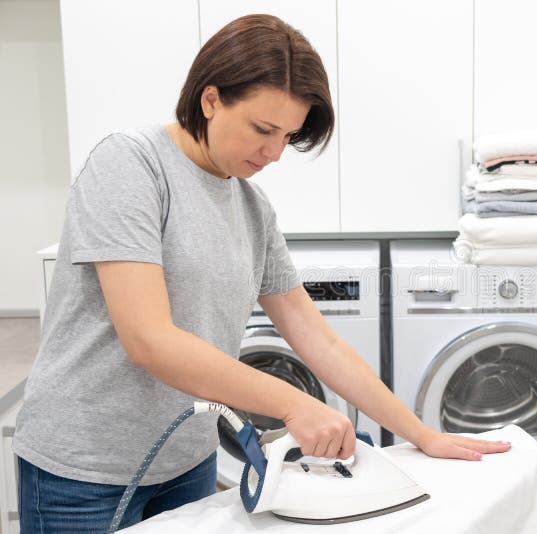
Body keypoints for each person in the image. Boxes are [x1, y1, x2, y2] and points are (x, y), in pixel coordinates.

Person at [12, 13, 510, 534]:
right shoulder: (131, 166)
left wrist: (419, 434)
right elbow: (150, 340)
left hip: (187, 461)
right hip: (84, 468)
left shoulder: (251, 206)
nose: (274, 153)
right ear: (210, 100)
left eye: (288, 136)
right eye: (262, 129)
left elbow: (319, 341)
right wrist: (294, 404)